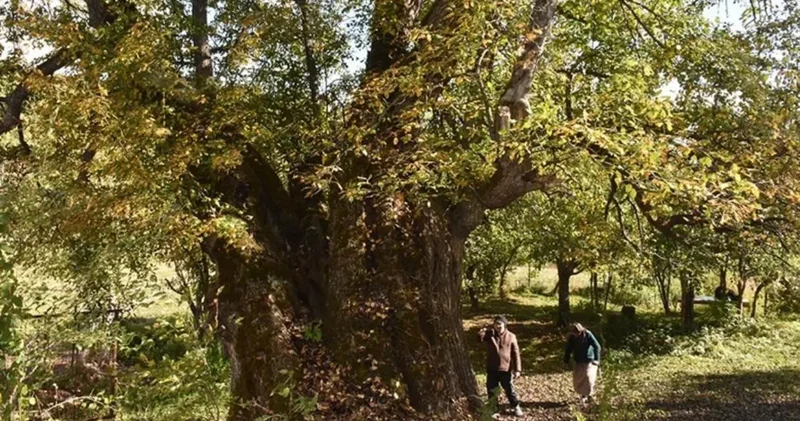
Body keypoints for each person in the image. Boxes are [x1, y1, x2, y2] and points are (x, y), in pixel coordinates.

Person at [478, 315, 523, 417]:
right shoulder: (490, 335)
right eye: (495, 324)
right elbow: (479, 339)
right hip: (492, 368)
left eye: (499, 324)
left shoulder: (511, 336)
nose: (497, 326)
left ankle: (516, 406)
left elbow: (516, 353)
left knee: (509, 389)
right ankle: (494, 409)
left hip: (505, 368)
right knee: (491, 390)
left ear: (504, 325)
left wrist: (517, 369)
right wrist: (481, 333)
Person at [563, 322, 601, 405]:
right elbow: (568, 349)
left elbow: (597, 346)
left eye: (577, 332)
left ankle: (589, 394)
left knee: (588, 377)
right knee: (578, 379)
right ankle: (583, 395)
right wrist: (566, 360)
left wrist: (597, 359)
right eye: (574, 333)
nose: (576, 334)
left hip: (589, 360)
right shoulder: (572, 337)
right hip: (578, 360)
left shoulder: (588, 335)